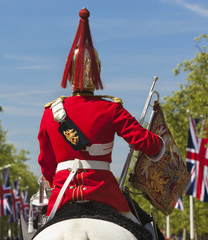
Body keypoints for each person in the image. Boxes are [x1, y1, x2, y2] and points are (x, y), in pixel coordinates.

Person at [37, 8, 164, 222]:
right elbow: (148, 144)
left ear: (68, 75)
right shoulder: (111, 109)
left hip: (62, 195)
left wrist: (57, 180)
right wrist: (159, 141)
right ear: (98, 72)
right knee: (147, 229)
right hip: (106, 193)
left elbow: (46, 163)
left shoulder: (50, 113)